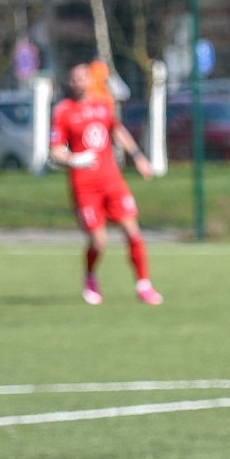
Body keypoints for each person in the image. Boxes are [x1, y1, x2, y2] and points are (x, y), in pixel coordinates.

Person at [49, 62, 161, 306]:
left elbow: (118, 131)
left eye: (83, 77)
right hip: (85, 186)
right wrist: (74, 159)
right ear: (70, 83)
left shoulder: (102, 106)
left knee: (132, 231)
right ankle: (90, 276)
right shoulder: (64, 111)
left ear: (90, 80)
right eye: (75, 78)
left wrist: (138, 157)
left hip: (112, 181)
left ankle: (143, 284)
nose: (79, 82)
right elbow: (55, 150)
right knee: (99, 241)